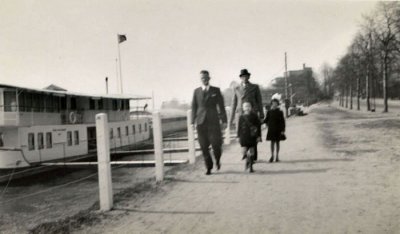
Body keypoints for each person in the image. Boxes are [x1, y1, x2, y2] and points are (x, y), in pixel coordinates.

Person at [191, 70, 227, 175]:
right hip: (201, 123)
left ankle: (217, 160)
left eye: (206, 77)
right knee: (203, 146)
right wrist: (192, 122)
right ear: (200, 79)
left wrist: (224, 120)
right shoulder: (196, 91)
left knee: (216, 145)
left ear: (209, 78)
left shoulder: (216, 90)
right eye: (202, 78)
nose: (204, 79)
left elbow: (221, 107)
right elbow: (194, 107)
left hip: (213, 122)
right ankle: (209, 167)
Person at [230, 69, 263, 161]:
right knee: (243, 134)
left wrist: (261, 114)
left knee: (254, 133)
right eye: (242, 76)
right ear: (240, 78)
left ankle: (253, 156)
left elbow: (259, 101)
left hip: (252, 113)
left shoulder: (255, 87)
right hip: (241, 114)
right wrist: (231, 118)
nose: (244, 78)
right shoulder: (236, 89)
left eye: (246, 76)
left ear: (249, 77)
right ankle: (245, 153)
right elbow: (233, 103)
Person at [237, 102, 261, 173]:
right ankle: (247, 160)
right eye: (245, 106)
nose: (247, 108)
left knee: (252, 151)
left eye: (249, 106)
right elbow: (239, 127)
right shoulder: (241, 117)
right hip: (243, 136)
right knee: (244, 151)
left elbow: (258, 126)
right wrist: (238, 136)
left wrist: (259, 136)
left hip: (252, 136)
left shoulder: (255, 116)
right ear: (243, 108)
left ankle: (251, 166)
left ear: (251, 108)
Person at [264, 98, 285, 162]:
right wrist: (259, 122)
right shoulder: (269, 112)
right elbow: (266, 120)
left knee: (277, 143)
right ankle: (272, 156)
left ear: (277, 104)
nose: (274, 104)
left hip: (278, 129)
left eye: (275, 103)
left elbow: (282, 121)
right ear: (271, 104)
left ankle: (277, 157)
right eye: (273, 103)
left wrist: (283, 130)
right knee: (272, 143)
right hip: (271, 129)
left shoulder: (280, 112)